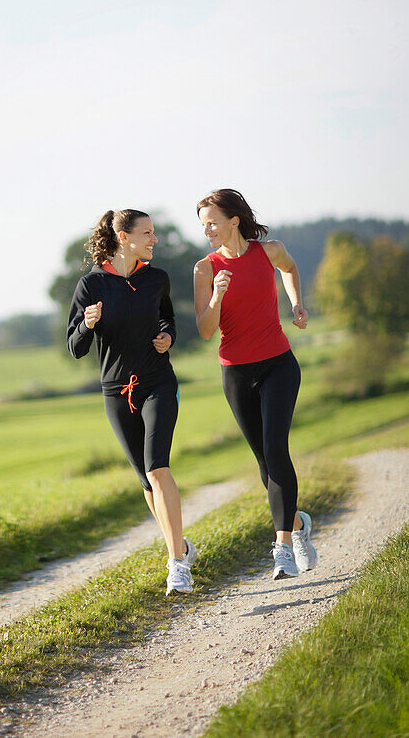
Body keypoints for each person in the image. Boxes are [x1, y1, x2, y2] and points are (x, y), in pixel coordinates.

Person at [68, 208, 197, 595]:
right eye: (147, 233)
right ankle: (184, 548)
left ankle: (176, 564)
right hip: (116, 391)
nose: (154, 239)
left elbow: (167, 320)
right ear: (124, 237)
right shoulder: (92, 285)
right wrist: (88, 323)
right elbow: (75, 347)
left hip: (158, 382)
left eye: (154, 233)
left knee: (157, 468)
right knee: (145, 479)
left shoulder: (156, 279)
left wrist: (167, 337)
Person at [193, 189, 318, 581]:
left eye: (212, 222)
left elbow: (291, 269)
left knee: (275, 447)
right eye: (203, 225)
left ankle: (282, 547)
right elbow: (204, 331)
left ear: (234, 220)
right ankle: (298, 525)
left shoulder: (269, 251)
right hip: (237, 372)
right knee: (265, 465)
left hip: (279, 364)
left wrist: (296, 303)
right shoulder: (204, 268)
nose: (207, 230)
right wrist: (216, 296)